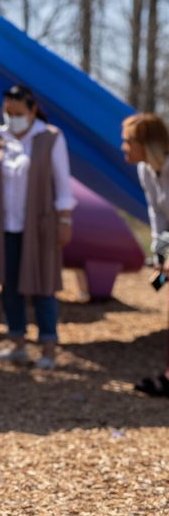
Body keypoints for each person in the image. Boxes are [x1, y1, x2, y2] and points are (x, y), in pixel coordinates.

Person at [0, 84, 75, 370]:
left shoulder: (50, 138)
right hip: (5, 224)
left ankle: (49, 346)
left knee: (42, 285)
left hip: (39, 225)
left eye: (18, 112)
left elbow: (62, 181)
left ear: (31, 110)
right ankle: (17, 342)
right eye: (7, 112)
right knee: (9, 286)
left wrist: (65, 219)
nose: (12, 117)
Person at [121, 112, 169, 398]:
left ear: (146, 143)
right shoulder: (146, 170)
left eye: (128, 141)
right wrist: (161, 258)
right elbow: (158, 217)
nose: (123, 147)